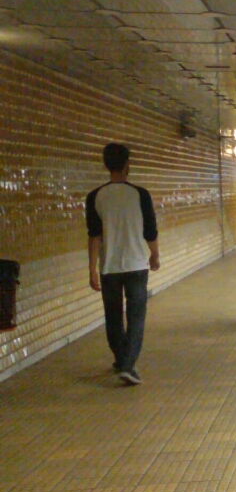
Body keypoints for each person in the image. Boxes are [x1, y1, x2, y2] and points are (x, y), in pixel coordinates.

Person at [86, 143, 159, 386]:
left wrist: (92, 268)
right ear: (128, 164)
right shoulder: (140, 194)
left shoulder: (95, 196)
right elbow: (150, 230)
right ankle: (128, 365)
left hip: (109, 266)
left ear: (106, 164)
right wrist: (155, 255)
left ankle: (121, 360)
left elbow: (94, 235)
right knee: (136, 316)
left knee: (113, 316)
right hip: (136, 264)